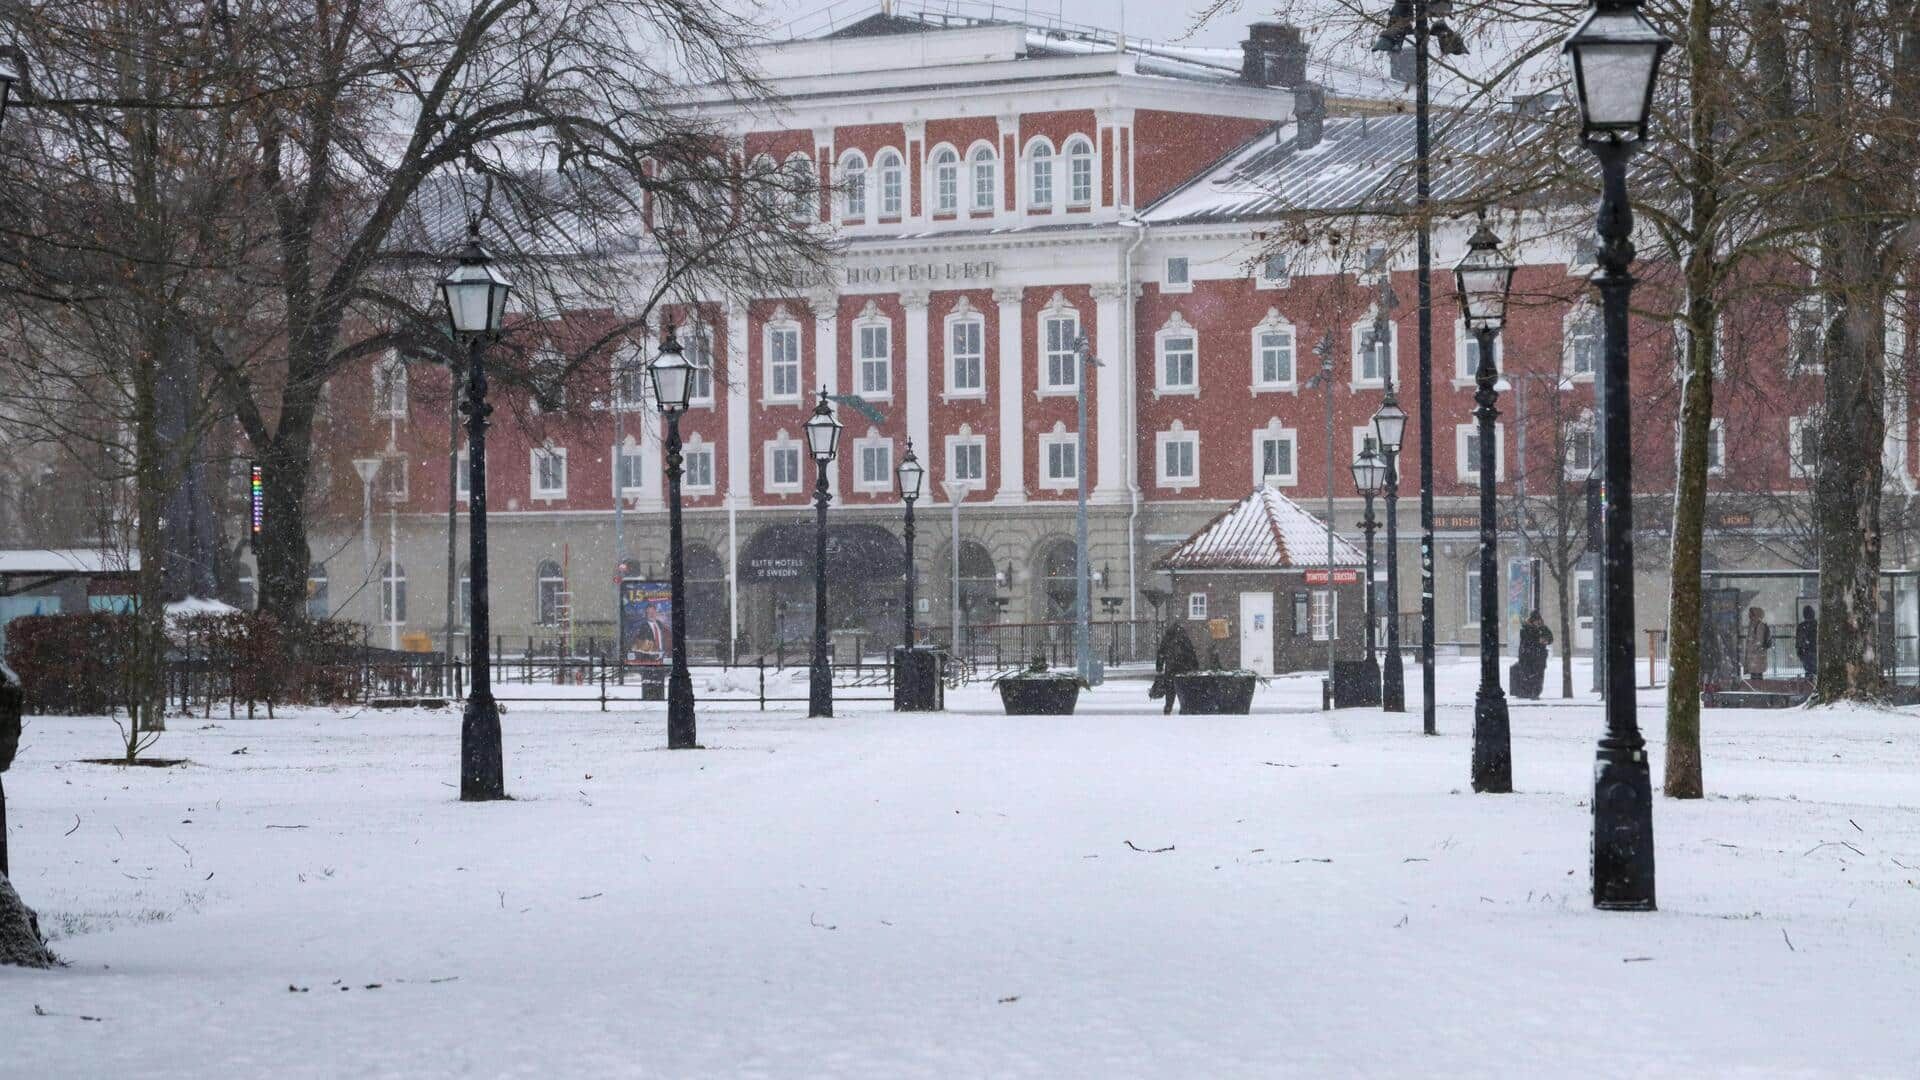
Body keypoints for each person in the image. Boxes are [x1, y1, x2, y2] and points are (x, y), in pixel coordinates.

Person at [1150, 621, 1200, 715]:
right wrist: (1194, 667)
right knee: (1183, 691)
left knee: (1170, 691)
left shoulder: (1167, 638)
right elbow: (1191, 653)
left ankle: (1168, 709)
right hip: (1183, 670)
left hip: (1170, 669)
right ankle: (1183, 708)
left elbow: (1161, 653)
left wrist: (1159, 667)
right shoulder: (1184, 638)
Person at [1514, 610, 1552, 700]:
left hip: (1540, 657)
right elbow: (1528, 640)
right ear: (1532, 620)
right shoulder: (1525, 628)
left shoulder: (1543, 628)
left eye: (1539, 620)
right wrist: (1539, 639)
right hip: (1528, 657)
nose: (1538, 622)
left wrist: (1545, 639)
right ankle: (1528, 692)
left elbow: (1550, 638)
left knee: (1539, 676)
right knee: (1529, 675)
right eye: (1536, 620)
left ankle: (1535, 692)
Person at [1743, 606, 1772, 682]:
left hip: (1756, 656)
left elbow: (1759, 641)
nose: (1749, 616)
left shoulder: (1758, 625)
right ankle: (1756, 690)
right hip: (1754, 657)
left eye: (1751, 614)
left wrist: (1753, 650)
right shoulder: (1753, 625)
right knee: (1755, 676)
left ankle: (1757, 691)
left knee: (1756, 676)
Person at [1795, 605, 1817, 680]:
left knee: (1808, 671)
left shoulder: (1801, 626)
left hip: (1806, 652)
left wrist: (1800, 653)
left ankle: (1809, 685)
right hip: (1815, 651)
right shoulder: (1817, 625)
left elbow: (1799, 641)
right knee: (1816, 671)